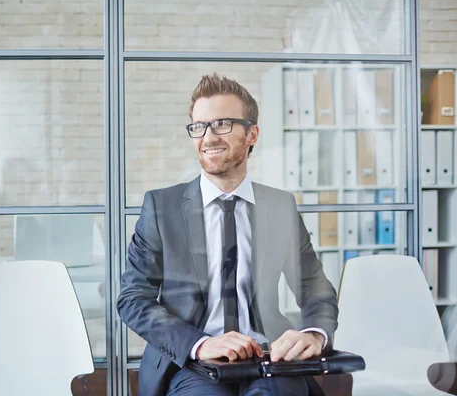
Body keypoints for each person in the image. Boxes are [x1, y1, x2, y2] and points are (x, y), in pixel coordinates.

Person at [117, 73, 339, 396]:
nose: (208, 137)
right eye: (199, 126)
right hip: (191, 364)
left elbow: (314, 288)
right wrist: (199, 344)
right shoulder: (160, 208)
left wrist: (314, 333)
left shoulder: (280, 207)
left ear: (252, 134)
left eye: (222, 124)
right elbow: (132, 298)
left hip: (268, 359)